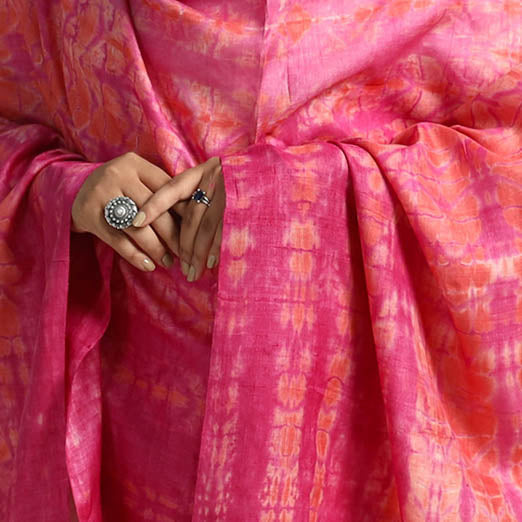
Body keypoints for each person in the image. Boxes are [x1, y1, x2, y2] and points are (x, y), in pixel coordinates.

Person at [1, 0, 521, 520]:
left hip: (343, 439)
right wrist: (64, 192)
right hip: (125, 430)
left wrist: (298, 191)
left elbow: (505, 171)